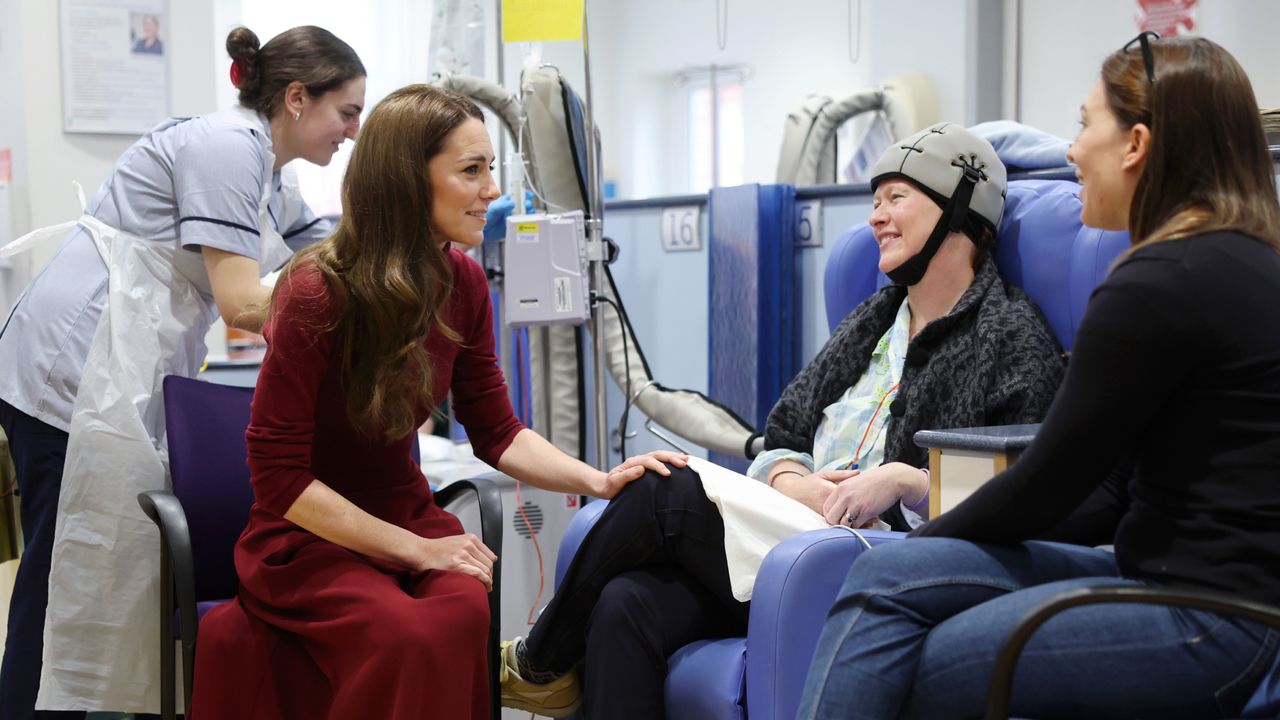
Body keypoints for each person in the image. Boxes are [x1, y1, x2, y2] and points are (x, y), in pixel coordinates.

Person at [499, 123, 1067, 719]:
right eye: (874, 202)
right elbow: (785, 431)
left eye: (896, 198)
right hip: (794, 532)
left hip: (881, 555)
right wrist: (792, 481)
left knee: (662, 489)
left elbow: (1020, 493)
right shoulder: (874, 319)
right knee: (624, 604)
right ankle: (546, 666)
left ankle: (538, 662)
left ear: (961, 209)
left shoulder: (1010, 337)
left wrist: (906, 482)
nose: (877, 217)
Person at [798, 34, 1280, 720]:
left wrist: (921, 537)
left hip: (1213, 621)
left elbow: (1052, 482)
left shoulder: (1158, 282)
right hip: (1197, 591)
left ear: (1137, 144)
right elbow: (1109, 489)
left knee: (911, 646)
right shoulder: (1238, 259)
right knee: (888, 577)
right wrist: (913, 546)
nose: (1072, 152)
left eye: (1086, 126)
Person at [186, 83, 682, 720]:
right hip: (307, 538)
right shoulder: (315, 290)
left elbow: (497, 431)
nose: (491, 191)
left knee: (460, 609)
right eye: (470, 171)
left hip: (408, 515)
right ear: (406, 182)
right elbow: (278, 479)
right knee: (407, 633)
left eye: (490, 169)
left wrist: (598, 480)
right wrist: (418, 550)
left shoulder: (465, 282)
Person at [0, 25, 364, 719]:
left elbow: (318, 248)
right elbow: (243, 301)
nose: (353, 130)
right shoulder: (228, 148)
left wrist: (390, 222)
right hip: (69, 374)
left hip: (113, 368)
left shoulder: (265, 166)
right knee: (59, 580)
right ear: (296, 98)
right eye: (346, 111)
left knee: (104, 571)